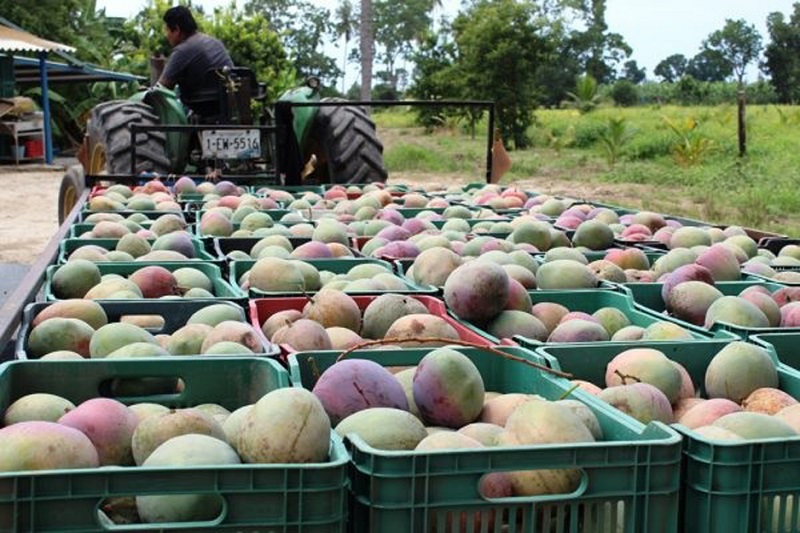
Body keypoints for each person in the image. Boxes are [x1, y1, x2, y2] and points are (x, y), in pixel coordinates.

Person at [158, 6, 233, 114]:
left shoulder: (182, 51)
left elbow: (161, 89)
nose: (166, 35)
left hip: (203, 107)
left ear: (177, 29)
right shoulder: (215, 42)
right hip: (229, 104)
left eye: (167, 30)